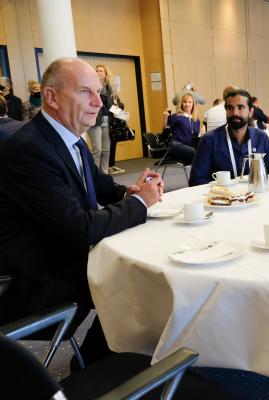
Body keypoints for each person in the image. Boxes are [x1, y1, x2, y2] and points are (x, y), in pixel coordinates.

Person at [0, 58, 164, 365]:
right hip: (39, 281)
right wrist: (140, 203)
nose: (98, 102)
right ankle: (98, 368)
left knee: (132, 271)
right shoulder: (29, 150)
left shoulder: (69, 137)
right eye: (85, 92)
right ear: (51, 96)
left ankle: (102, 360)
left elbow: (100, 185)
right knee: (130, 279)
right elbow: (81, 227)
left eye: (99, 92)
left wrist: (128, 191)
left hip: (64, 257)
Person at [189, 88, 269, 186]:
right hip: (221, 198)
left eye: (240, 107)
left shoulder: (261, 138)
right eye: (230, 108)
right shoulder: (209, 140)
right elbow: (196, 180)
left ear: (251, 112)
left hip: (255, 196)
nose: (235, 113)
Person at [87, 64, 123, 174]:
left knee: (106, 150)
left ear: (106, 75)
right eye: (96, 70)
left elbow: (117, 106)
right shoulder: (90, 87)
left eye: (101, 71)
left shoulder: (110, 90)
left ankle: (104, 174)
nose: (98, 72)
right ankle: (95, 176)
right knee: (97, 150)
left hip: (107, 122)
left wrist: (121, 111)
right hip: (95, 121)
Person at [162, 91, 201, 164]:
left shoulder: (196, 120)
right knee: (197, 154)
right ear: (181, 104)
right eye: (185, 102)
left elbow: (195, 139)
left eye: (190, 102)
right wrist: (165, 119)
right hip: (176, 146)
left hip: (190, 147)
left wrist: (201, 135)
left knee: (205, 152)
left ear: (193, 104)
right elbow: (165, 134)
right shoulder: (176, 117)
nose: (187, 104)